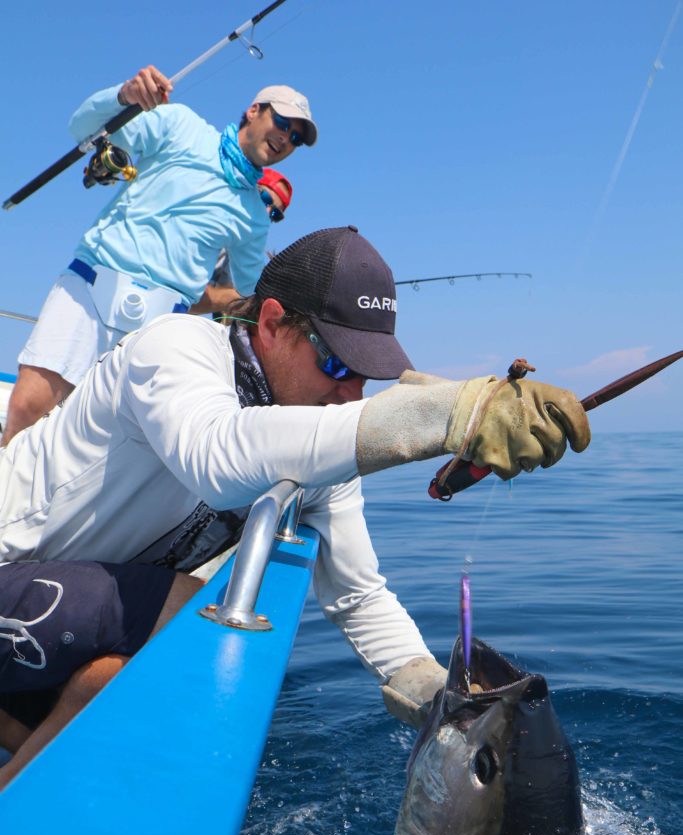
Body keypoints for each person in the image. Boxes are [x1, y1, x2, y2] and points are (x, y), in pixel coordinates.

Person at [0, 226, 591, 787]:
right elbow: (217, 456)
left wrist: (442, 699)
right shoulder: (175, 346)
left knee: (153, 665)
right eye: (336, 363)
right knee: (194, 609)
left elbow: (358, 595)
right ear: (273, 322)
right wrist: (443, 416)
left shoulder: (317, 439)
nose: (348, 394)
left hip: (55, 621)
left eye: (366, 377)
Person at [2, 68, 315, 445]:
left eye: (296, 138)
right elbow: (82, 127)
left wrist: (305, 322)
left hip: (158, 327)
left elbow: (255, 295)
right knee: (26, 410)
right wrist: (124, 95)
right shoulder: (182, 125)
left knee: (109, 451)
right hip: (92, 284)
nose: (286, 137)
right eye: (282, 122)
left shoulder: (253, 216)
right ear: (253, 110)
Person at [193, 168, 294, 319]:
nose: (266, 213)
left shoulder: (235, 252)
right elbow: (180, 295)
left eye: (275, 213)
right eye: (264, 198)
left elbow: (222, 313)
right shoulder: (200, 216)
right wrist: (237, 298)